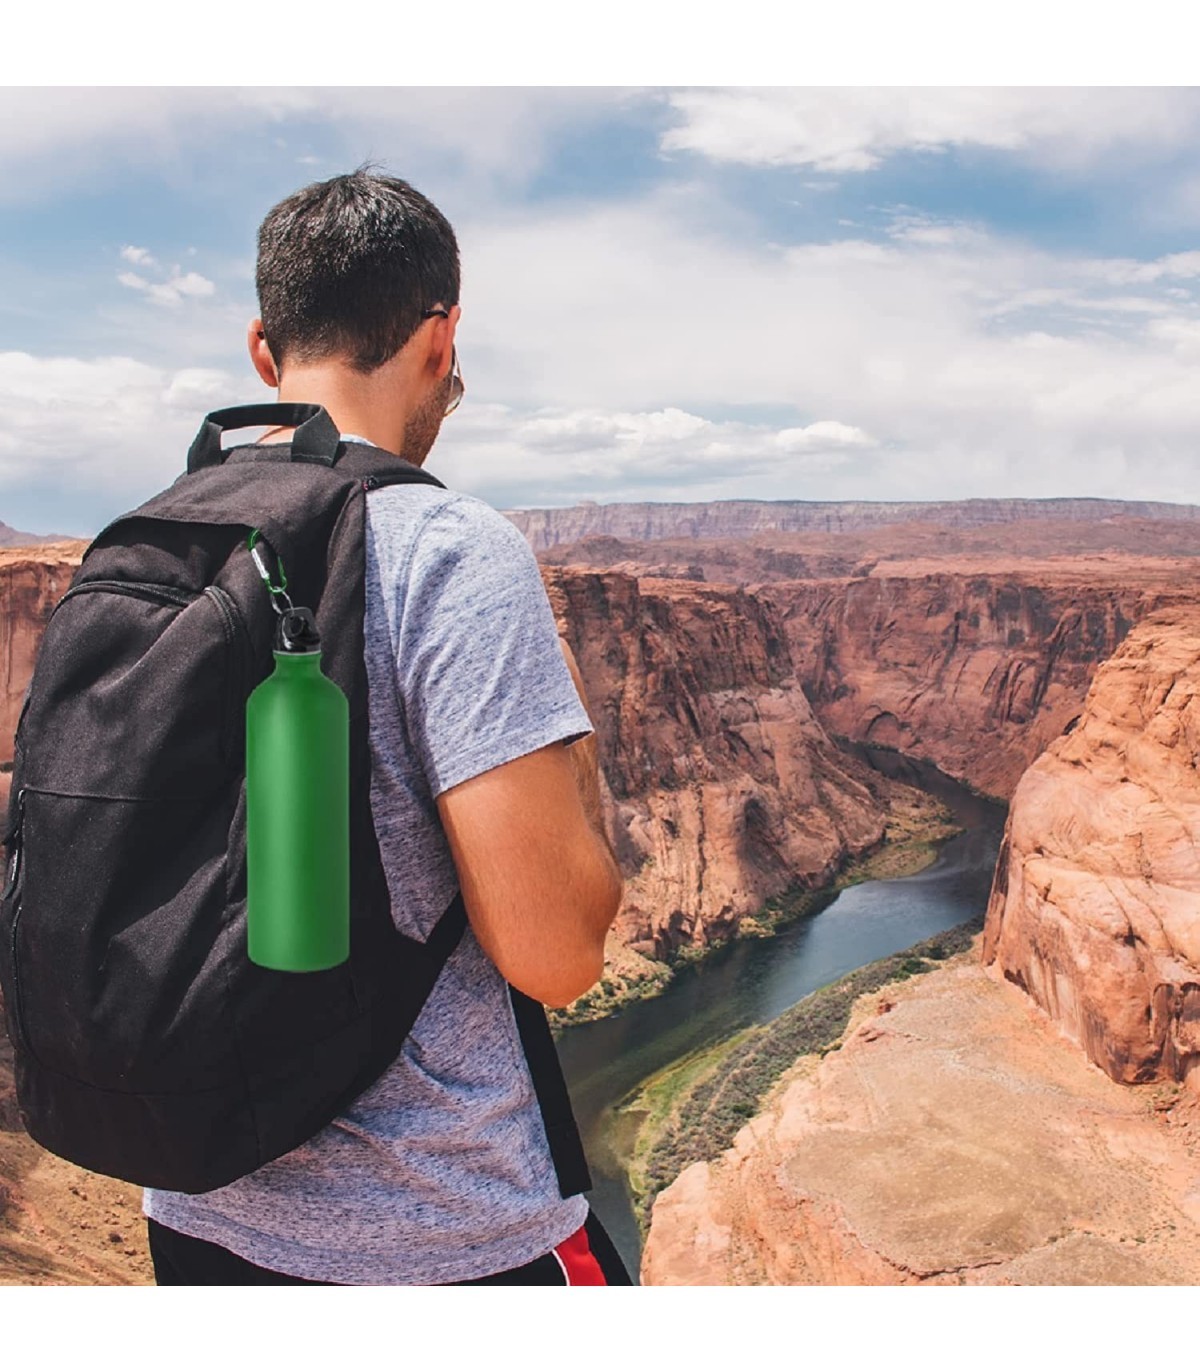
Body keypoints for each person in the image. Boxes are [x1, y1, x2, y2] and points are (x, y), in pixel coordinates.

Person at [140, 169, 629, 1285]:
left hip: (195, 1210)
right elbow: (557, 956)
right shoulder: (450, 548)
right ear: (441, 339)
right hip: (441, 1234)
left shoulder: (160, 544)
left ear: (263, 352)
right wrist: (578, 765)